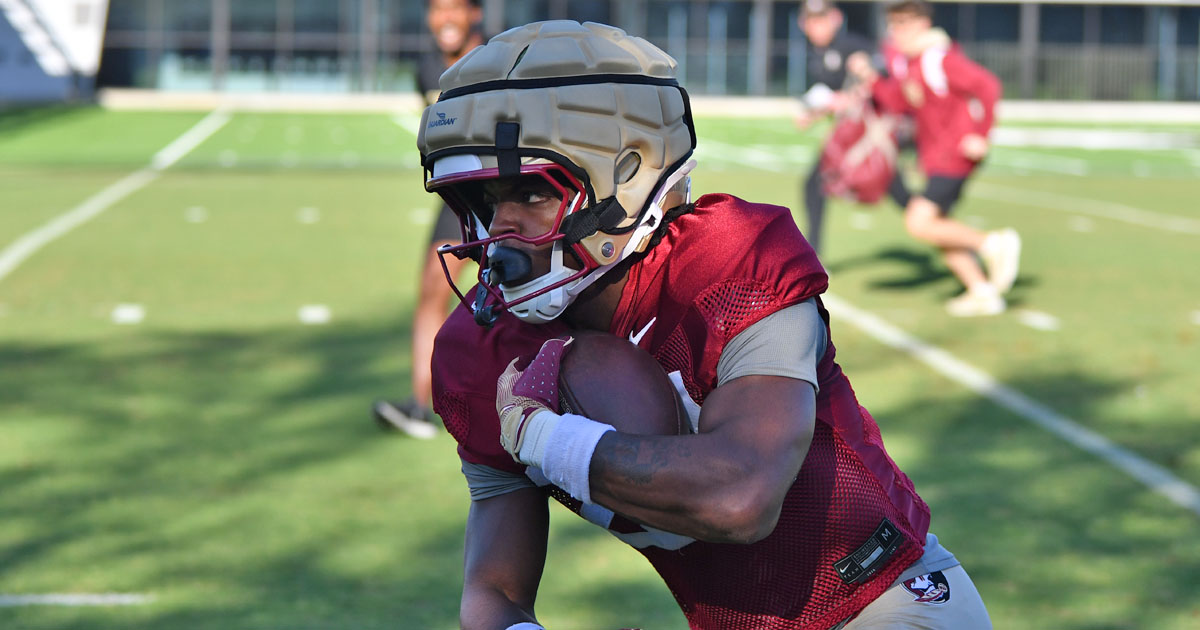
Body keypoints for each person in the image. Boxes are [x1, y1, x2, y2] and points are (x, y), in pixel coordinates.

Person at [419, 21, 992, 629]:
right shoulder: (481, 350)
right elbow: (492, 593)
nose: (499, 231)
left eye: (532, 193)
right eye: (480, 201)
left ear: (628, 175)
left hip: (880, 602)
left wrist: (546, 442)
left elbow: (740, 497)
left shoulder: (732, 261)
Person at [850, 0, 1021, 317]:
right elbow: (898, 103)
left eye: (901, 25)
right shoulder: (912, 64)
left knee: (919, 221)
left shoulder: (938, 59)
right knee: (938, 226)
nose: (895, 33)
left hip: (954, 156)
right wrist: (870, 78)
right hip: (936, 158)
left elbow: (988, 86)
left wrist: (980, 134)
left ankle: (993, 243)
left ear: (921, 24)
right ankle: (982, 291)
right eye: (892, 25)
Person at [372, 0, 485, 437]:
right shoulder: (425, 69)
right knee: (430, 292)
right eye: (437, 9)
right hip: (459, 199)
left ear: (474, 12)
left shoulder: (500, 57)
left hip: (509, 197)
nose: (446, 19)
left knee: (536, 297)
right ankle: (422, 405)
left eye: (454, 7)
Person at [795, 0, 912, 254]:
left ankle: (949, 233)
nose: (817, 26)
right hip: (855, 138)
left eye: (822, 19)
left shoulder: (852, 46)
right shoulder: (818, 53)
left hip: (874, 137)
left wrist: (855, 90)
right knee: (815, 185)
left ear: (835, 18)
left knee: (901, 196)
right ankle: (813, 254)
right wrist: (814, 112)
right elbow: (834, 96)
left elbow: (880, 77)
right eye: (812, 21)